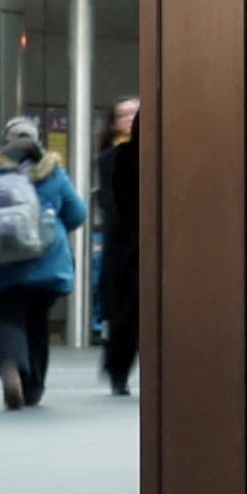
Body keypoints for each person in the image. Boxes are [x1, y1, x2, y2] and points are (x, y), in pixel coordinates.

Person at [0, 117, 86, 407]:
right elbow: (78, 214)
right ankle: (33, 389)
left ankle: (11, 366)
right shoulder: (52, 174)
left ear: (5, 141)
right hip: (45, 266)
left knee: (5, 319)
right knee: (36, 323)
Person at [93, 93, 141, 399]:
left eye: (137, 113)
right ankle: (118, 371)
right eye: (125, 114)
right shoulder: (109, 158)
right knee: (125, 314)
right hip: (124, 246)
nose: (132, 120)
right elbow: (111, 203)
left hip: (151, 244)